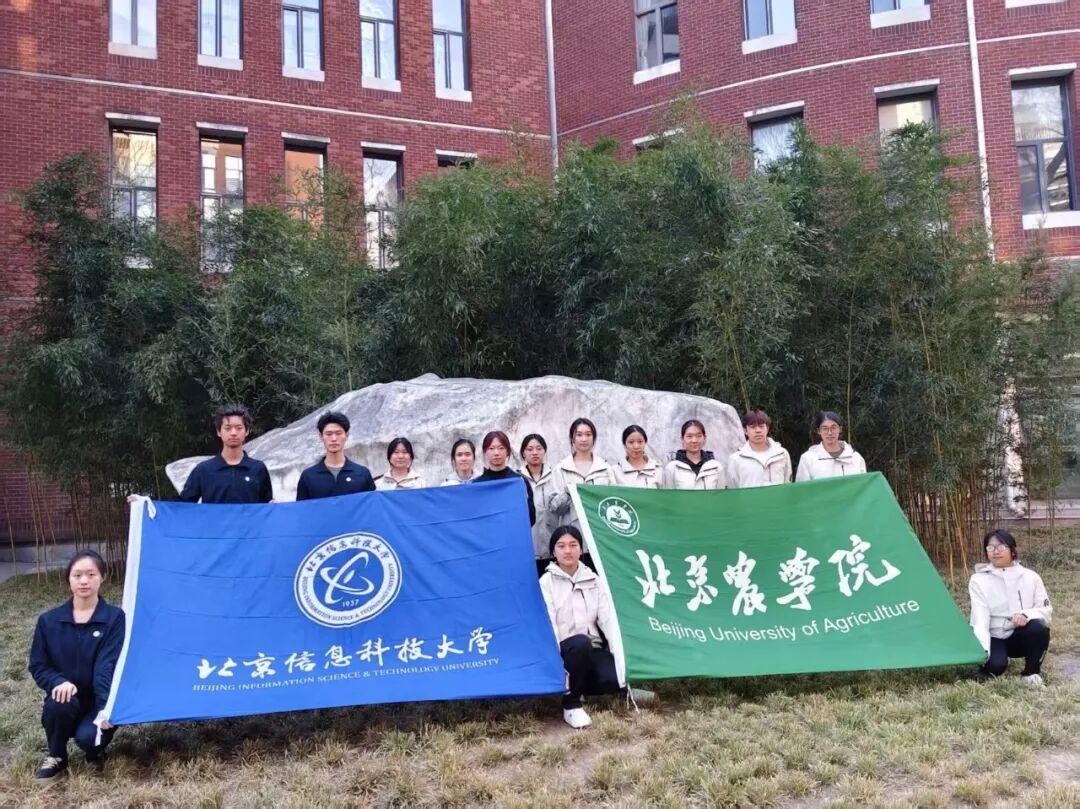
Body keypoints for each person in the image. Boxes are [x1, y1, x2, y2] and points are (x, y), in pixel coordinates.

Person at [28, 550, 124, 780]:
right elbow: (38, 665)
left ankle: (94, 750)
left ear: (102, 577)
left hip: (97, 700)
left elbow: (106, 666)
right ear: (69, 579)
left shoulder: (114, 618)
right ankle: (56, 755)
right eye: (77, 575)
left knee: (89, 738)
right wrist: (57, 682)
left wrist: (106, 708)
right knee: (58, 703)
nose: (84, 581)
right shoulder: (48, 621)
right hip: (65, 698)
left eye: (91, 574)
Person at [539, 526, 622, 729]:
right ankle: (571, 703)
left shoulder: (594, 579)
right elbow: (549, 622)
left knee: (612, 680)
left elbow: (607, 619)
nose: (567, 551)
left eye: (573, 545)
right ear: (553, 551)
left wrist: (620, 658)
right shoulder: (546, 582)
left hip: (591, 647)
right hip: (564, 649)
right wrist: (554, 661)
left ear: (581, 549)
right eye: (561, 546)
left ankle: (583, 685)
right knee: (580, 644)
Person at [969, 529, 1052, 688]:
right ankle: (991, 661)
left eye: (1001, 547)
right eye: (990, 548)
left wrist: (1026, 615)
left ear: (1012, 550)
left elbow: (1046, 610)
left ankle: (1031, 672)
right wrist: (983, 651)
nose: (995, 552)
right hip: (994, 635)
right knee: (996, 667)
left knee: (1038, 627)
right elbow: (980, 618)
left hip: (1020, 634)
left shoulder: (1031, 577)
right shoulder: (978, 580)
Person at [179, 404, 274, 503]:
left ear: (247, 431)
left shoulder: (258, 469)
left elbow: (266, 508)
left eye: (239, 428)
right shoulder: (203, 470)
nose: (233, 433)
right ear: (219, 432)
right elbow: (183, 505)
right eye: (227, 428)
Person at [549, 418, 615, 529]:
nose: (584, 439)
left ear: (594, 438)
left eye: (588, 435)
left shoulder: (605, 468)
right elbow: (554, 508)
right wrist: (568, 493)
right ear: (572, 439)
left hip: (600, 529)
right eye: (579, 435)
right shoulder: (561, 469)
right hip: (572, 531)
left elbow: (613, 501)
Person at [295, 411, 376, 500]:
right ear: (321, 436)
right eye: (328, 434)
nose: (334, 439)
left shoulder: (362, 473)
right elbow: (301, 508)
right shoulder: (308, 476)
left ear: (346, 435)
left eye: (338, 433)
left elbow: (371, 506)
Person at [475, 430, 536, 527]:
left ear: (508, 451)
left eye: (501, 448)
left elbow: (531, 518)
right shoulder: (477, 484)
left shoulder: (519, 481)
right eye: (491, 448)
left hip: (513, 533)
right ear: (485, 452)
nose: (496, 453)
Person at [795, 411, 867, 481]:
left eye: (833, 428)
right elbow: (803, 487)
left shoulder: (855, 458)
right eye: (825, 428)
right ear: (819, 431)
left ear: (840, 429)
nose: (829, 433)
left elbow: (864, 485)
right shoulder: (808, 459)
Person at [728, 410, 792, 488]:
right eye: (753, 427)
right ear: (745, 431)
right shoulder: (736, 459)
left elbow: (788, 485)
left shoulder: (782, 454)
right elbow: (733, 490)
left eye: (761, 426)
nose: (758, 430)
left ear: (767, 429)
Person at [521, 433, 556, 573]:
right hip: (527, 545)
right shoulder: (517, 479)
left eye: (539, 448)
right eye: (530, 449)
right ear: (523, 453)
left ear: (544, 451)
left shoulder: (555, 476)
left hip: (552, 544)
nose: (535, 452)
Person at [662, 420, 726, 490]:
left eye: (699, 436)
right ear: (682, 439)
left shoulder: (716, 467)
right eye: (689, 436)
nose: (694, 440)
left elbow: (721, 494)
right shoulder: (672, 468)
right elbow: (669, 495)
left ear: (704, 438)